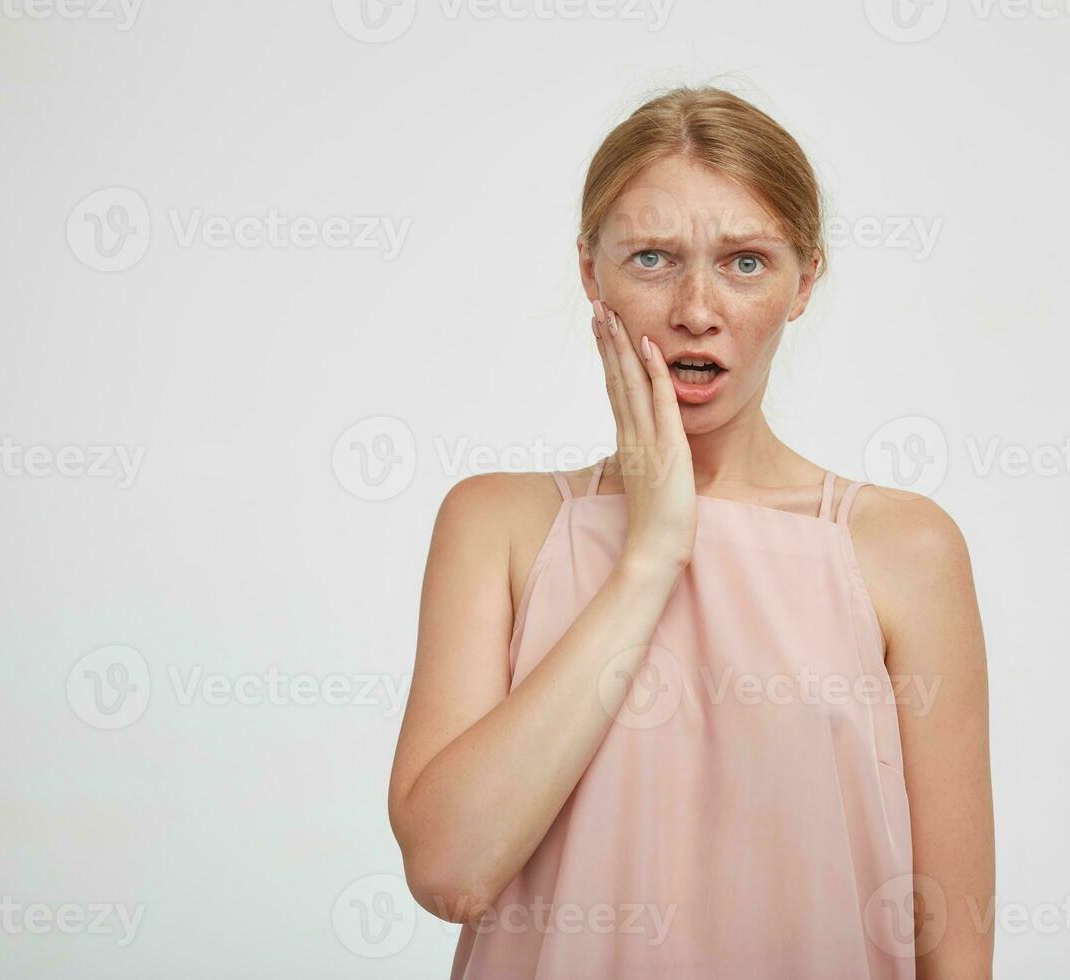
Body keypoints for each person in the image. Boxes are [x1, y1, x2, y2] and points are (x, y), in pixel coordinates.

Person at [387, 85, 994, 979]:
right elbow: (449, 872)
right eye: (653, 259)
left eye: (746, 261)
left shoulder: (902, 549)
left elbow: (955, 948)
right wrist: (650, 554)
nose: (696, 310)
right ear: (591, 273)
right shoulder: (499, 526)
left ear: (805, 280)